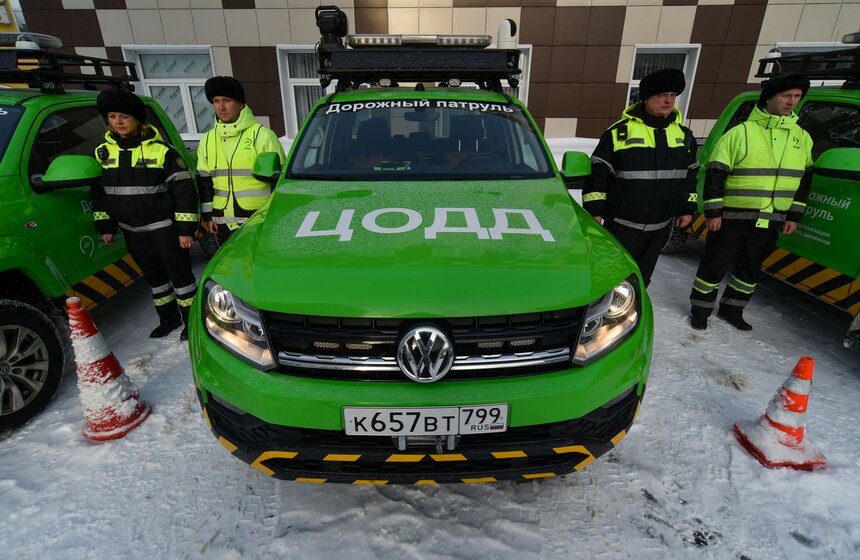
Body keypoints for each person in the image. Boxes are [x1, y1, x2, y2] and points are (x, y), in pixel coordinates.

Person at [689, 72, 813, 331]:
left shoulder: (802, 137)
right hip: (732, 216)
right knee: (715, 263)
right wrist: (713, 212)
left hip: (772, 217)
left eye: (797, 97)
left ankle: (733, 309)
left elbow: (803, 180)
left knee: (750, 268)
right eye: (786, 96)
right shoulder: (741, 132)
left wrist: (793, 215)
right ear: (770, 98)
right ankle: (700, 310)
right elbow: (716, 173)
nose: (791, 102)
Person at [91, 88, 199, 341]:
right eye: (113, 116)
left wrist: (185, 231)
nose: (118, 122)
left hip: (164, 228)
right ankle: (168, 319)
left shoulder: (162, 151)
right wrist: (106, 226)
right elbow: (99, 193)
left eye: (124, 117)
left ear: (137, 119)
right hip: (132, 231)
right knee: (155, 280)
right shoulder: (102, 154)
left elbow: (183, 192)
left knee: (181, 279)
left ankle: (191, 323)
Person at [583, 67, 698, 288]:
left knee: (642, 279)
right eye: (661, 95)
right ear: (646, 98)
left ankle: (634, 312)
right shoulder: (619, 133)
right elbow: (598, 175)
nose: (668, 101)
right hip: (621, 227)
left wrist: (687, 209)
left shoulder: (684, 136)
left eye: (672, 96)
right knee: (612, 276)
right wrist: (595, 212)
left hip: (660, 226)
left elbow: (690, 176)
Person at [197, 76, 285, 244]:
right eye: (216, 101)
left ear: (240, 103)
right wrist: (210, 216)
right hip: (223, 222)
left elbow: (279, 181)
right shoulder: (207, 139)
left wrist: (276, 217)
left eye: (227, 101)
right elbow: (205, 182)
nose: (221, 107)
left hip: (258, 219)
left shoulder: (262, 135)